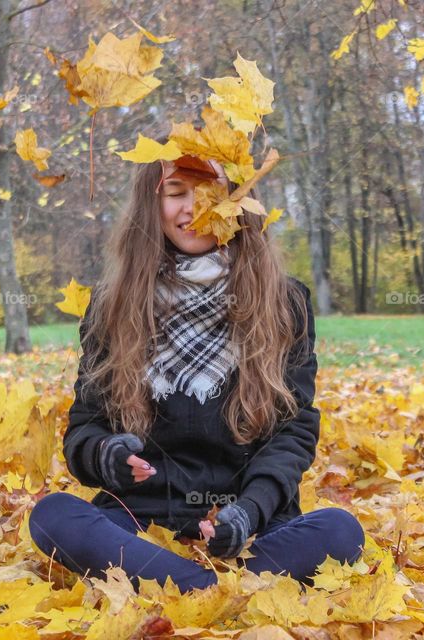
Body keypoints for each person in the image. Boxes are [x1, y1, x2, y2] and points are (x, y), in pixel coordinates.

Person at [29, 153, 365, 594]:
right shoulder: (113, 305)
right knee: (52, 516)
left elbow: (293, 432)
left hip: (251, 528)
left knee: (341, 531)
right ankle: (216, 591)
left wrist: (248, 511)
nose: (193, 209)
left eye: (212, 193)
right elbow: (85, 428)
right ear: (152, 205)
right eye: (176, 193)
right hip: (138, 523)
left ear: (239, 203)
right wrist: (106, 455)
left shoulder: (285, 303)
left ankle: (173, 586)